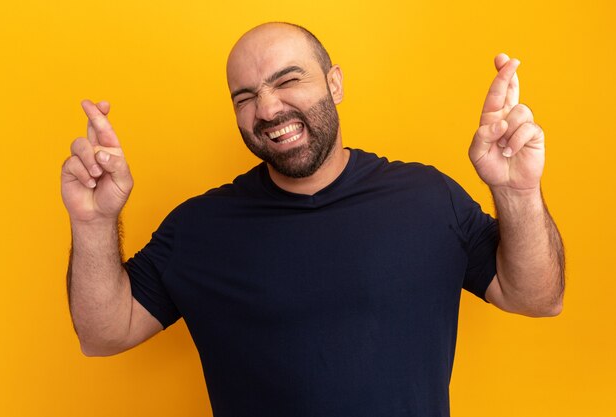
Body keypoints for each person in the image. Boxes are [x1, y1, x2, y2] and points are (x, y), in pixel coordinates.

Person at [61, 22, 564, 417]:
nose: (268, 108)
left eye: (288, 80)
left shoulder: (428, 199)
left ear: (335, 82)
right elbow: (104, 334)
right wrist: (93, 222)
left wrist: (515, 191)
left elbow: (537, 298)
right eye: (245, 97)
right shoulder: (199, 227)